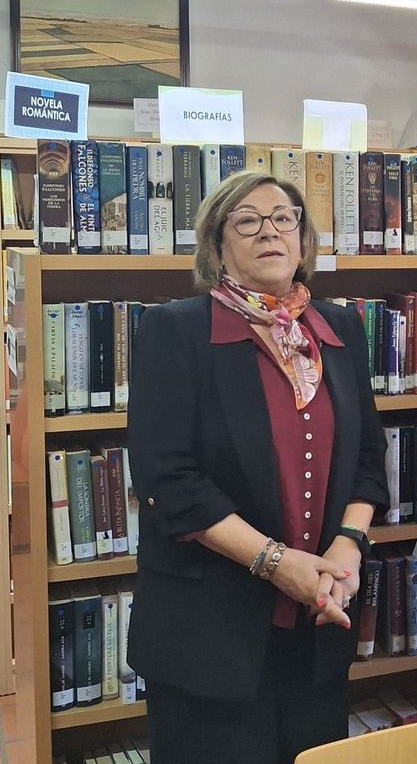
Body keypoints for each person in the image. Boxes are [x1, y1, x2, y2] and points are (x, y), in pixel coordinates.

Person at [126, 171, 389, 764]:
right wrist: (276, 564)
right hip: (209, 631)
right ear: (217, 246)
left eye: (283, 218)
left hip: (320, 618)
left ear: (303, 238)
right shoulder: (176, 330)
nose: (270, 231)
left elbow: (369, 457)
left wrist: (347, 548)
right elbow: (168, 480)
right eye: (247, 220)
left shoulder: (340, 328)